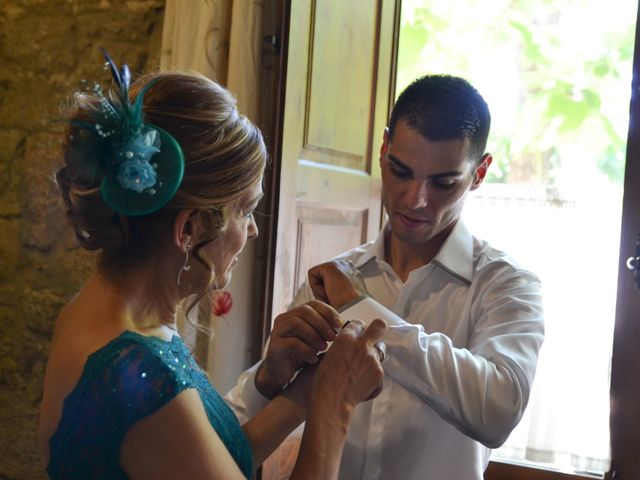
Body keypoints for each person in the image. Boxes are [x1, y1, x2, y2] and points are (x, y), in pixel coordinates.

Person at [37, 51, 388, 480]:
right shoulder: (136, 373)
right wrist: (336, 404)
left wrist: (303, 392)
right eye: (245, 211)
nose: (252, 231)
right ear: (189, 229)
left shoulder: (117, 315)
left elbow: (201, 460)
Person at [226, 74, 545, 479]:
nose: (416, 199)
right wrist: (269, 377)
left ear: (479, 173)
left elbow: (498, 412)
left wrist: (361, 309)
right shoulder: (334, 280)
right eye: (400, 171)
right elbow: (239, 429)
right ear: (383, 149)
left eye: (443, 183)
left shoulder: (507, 285)